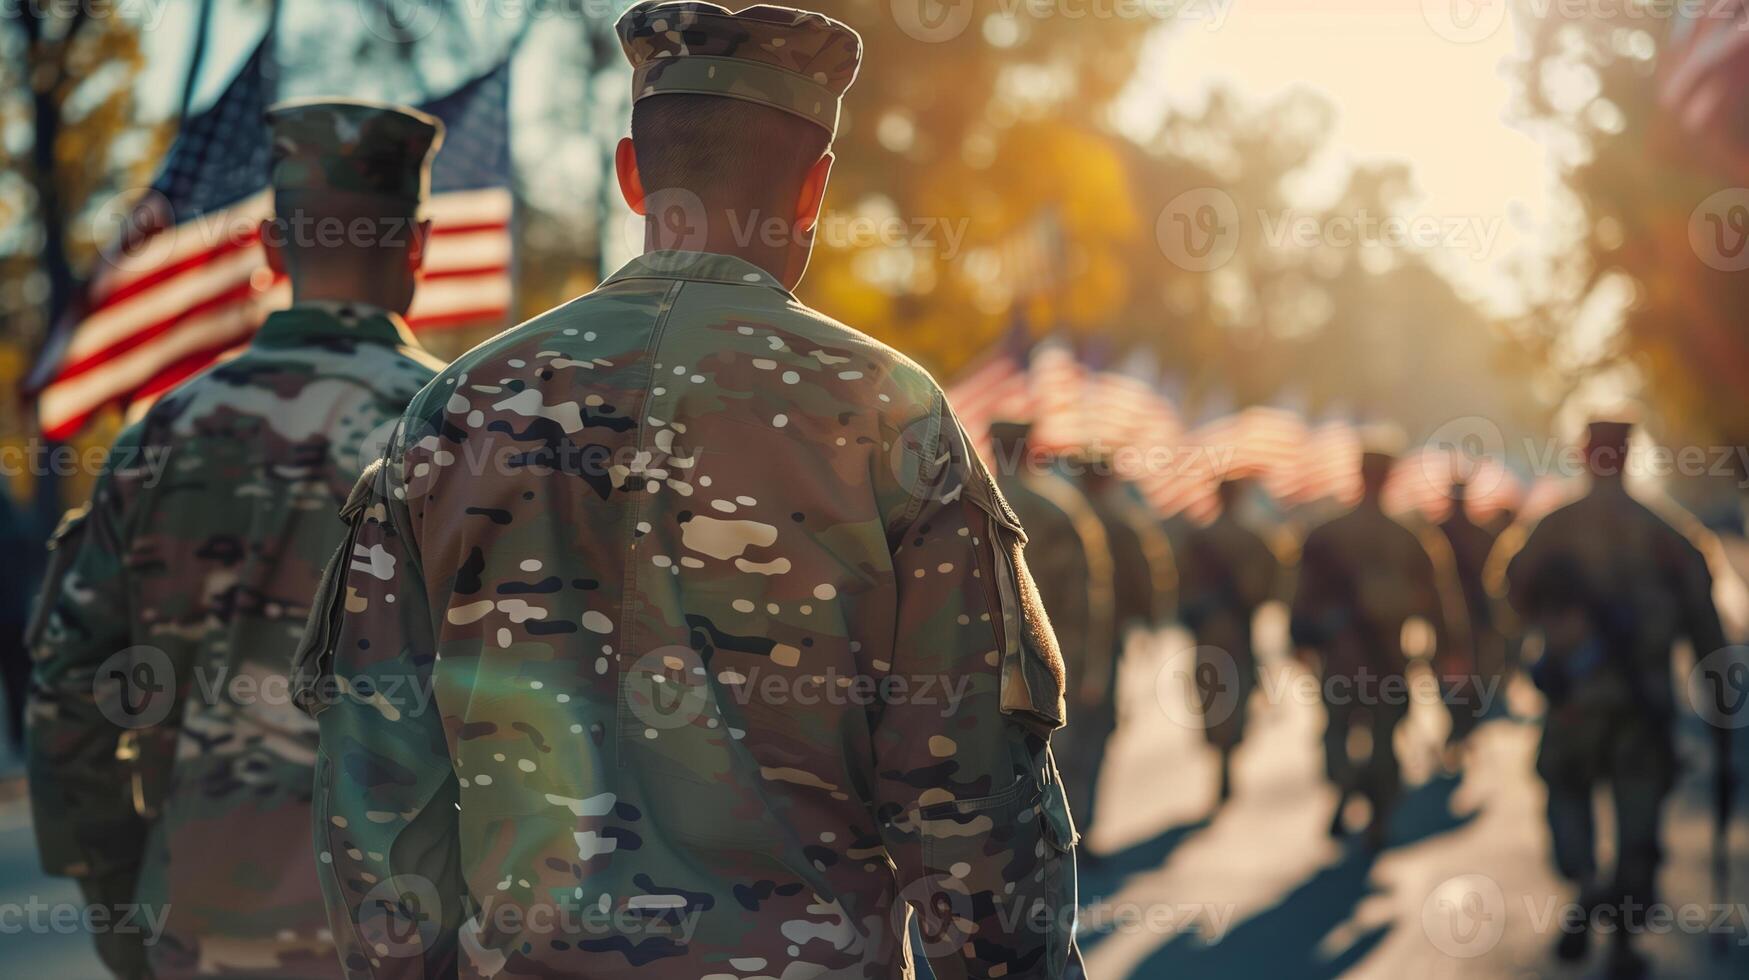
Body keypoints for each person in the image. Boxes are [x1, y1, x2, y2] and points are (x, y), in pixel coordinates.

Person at [292, 4, 1082, 976]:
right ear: (814, 189)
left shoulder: (452, 412)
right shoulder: (891, 416)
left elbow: (373, 800)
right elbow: (977, 822)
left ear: (631, 175)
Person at [26, 100, 445, 979]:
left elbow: (71, 687)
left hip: (199, 921)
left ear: (268, 247)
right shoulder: (461, 435)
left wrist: (122, 890)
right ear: (417, 245)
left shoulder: (159, 435)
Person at [1500, 417, 1726, 979]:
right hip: (1641, 709)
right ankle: (1622, 931)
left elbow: (1509, 594)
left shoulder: (1552, 528)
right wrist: (1723, 719)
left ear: (1584, 456)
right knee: (1638, 825)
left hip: (1575, 705)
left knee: (1567, 798)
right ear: (1628, 457)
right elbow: (1707, 634)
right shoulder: (1669, 535)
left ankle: (1588, 886)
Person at [1290, 446, 1462, 849]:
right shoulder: (1406, 538)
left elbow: (1300, 597)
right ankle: (1367, 800)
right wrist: (1448, 649)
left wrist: (1299, 640)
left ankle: (1359, 796)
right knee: (1377, 738)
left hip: (1350, 661)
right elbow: (1438, 602)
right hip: (1380, 660)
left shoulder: (1328, 533)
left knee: (1343, 735)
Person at [1181, 478, 1280, 804]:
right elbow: (1269, 588)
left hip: (1209, 637)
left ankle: (1221, 756)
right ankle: (1227, 756)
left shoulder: (1198, 538)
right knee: (1236, 698)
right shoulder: (1253, 539)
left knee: (1213, 700)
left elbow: (1180, 591)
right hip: (1238, 635)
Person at [1436, 479, 1501, 752]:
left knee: (1470, 677)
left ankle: (1462, 726)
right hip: (1449, 619)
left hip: (1471, 619)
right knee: (1452, 676)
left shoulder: (1446, 533)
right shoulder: (1438, 533)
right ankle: (1458, 725)